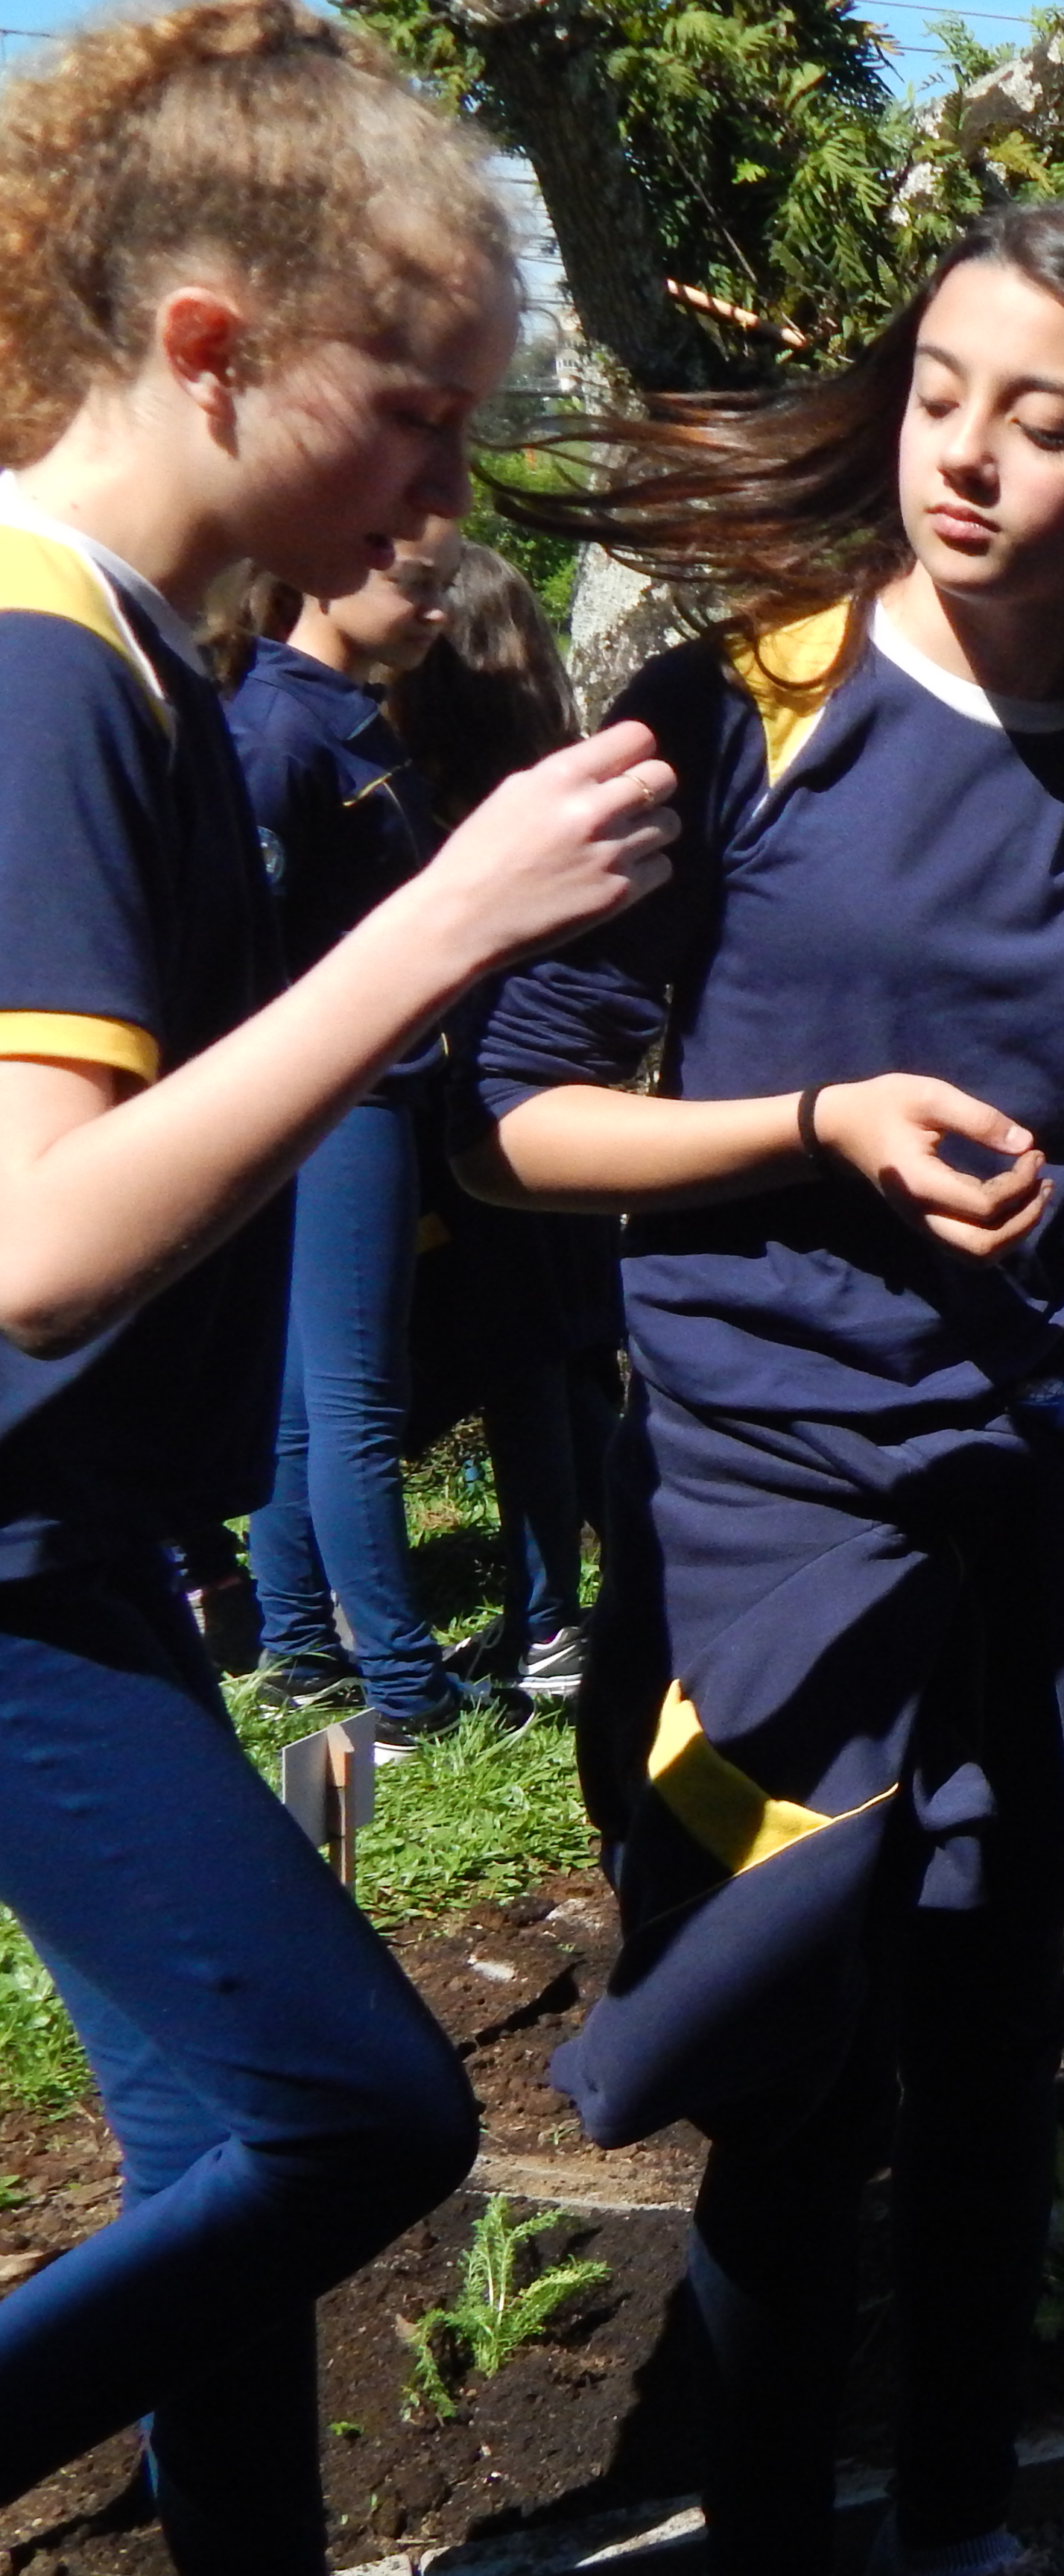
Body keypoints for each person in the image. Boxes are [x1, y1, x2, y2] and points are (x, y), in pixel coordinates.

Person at [465, 201, 1064, 2576]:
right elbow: (527, 1118)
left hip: (1026, 1502)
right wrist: (814, 1122)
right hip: (759, 1518)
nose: (968, 458)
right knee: (795, 2081)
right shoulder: (743, 701)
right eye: (942, 392)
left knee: (1001, 2061)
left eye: (1048, 419)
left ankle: (966, 2529)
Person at [0, 5, 680, 2561]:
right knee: (358, 2115)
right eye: (411, 409)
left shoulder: (130, 657)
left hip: (86, 1549)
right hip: (18, 1558)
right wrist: (443, 924)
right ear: (208, 347)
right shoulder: (52, 661)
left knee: (209, 2166)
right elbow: (38, 1238)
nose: (442, 485)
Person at [226, 523, 487, 1740]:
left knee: (298, 1395)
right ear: (325, 567)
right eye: (416, 586)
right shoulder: (282, 732)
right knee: (354, 1401)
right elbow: (245, 947)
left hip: (349, 1094)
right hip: (346, 1097)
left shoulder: (345, 717)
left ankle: (296, 1647)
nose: (437, 612)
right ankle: (404, 1683)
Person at [394, 542, 615, 1699]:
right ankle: (572, 1610)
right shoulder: (563, 794)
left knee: (508, 1367)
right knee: (562, 1364)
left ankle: (542, 1625)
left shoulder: (419, 811)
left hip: (459, 1114)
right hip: (560, 1110)